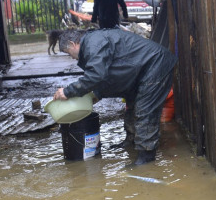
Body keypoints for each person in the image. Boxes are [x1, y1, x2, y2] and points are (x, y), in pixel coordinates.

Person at [53, 29, 177, 165]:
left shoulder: (93, 43)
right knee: (132, 105)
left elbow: (96, 75)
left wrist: (68, 91)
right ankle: (131, 141)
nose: (70, 57)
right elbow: (110, 73)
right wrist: (98, 94)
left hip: (155, 64)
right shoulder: (93, 43)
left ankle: (146, 156)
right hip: (141, 70)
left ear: (73, 43)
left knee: (145, 110)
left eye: (67, 52)